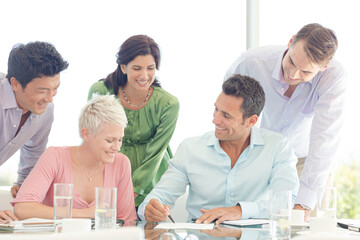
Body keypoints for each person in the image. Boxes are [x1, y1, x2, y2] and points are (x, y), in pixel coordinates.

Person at [138, 74, 299, 223]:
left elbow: (286, 202)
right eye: (216, 109)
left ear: (251, 121)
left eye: (226, 116)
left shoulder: (277, 147)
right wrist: (150, 209)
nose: (215, 120)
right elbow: (158, 197)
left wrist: (240, 211)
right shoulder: (190, 149)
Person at [224, 23, 345, 217]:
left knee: (307, 229)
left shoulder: (333, 77)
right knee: (255, 222)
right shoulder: (251, 63)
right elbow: (227, 111)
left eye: (306, 72)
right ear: (290, 42)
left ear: (323, 67)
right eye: (292, 62)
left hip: (306, 162)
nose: (293, 75)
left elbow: (324, 140)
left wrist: (304, 204)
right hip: (258, 157)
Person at [88, 35, 179, 208]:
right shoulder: (100, 91)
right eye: (137, 68)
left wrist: (132, 191)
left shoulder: (169, 104)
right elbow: (93, 139)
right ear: (123, 67)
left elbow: (156, 153)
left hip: (150, 177)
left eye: (150, 68)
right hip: (108, 170)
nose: (144, 75)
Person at [11, 95, 137, 221]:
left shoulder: (121, 164)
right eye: (110, 140)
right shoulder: (55, 157)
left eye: (120, 139)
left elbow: (127, 220)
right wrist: (85, 213)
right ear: (86, 134)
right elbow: (23, 209)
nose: (117, 147)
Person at [0, 41, 68, 220]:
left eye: (55, 89)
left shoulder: (45, 112)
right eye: (43, 90)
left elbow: (33, 153)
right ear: (15, 83)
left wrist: (24, 185)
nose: (50, 98)